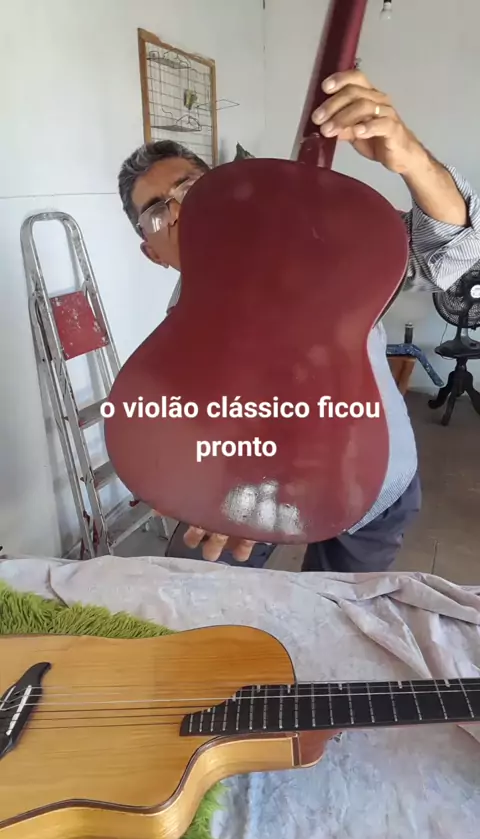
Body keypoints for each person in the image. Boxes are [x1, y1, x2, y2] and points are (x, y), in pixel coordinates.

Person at [118, 69, 480, 573]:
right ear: (153, 253)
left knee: (341, 609)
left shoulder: (324, 250)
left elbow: (451, 252)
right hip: (250, 491)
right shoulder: (178, 326)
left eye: (191, 189)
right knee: (199, 589)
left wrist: (411, 158)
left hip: (370, 479)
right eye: (158, 212)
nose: (180, 211)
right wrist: (206, 476)